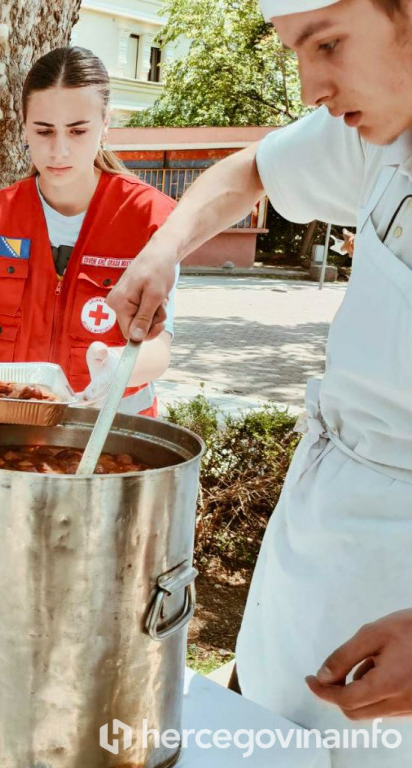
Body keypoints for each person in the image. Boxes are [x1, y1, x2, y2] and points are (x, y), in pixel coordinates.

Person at [105, 0, 412, 761]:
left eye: (330, 44)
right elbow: (248, 170)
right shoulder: (384, 134)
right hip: (324, 528)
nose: (311, 86)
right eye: (296, 52)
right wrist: (166, 246)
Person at [0, 47, 177, 415]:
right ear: (24, 124)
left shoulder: (152, 219)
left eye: (78, 131)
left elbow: (158, 347)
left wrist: (118, 368)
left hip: (115, 435)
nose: (59, 151)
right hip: (11, 427)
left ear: (105, 122)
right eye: (43, 131)